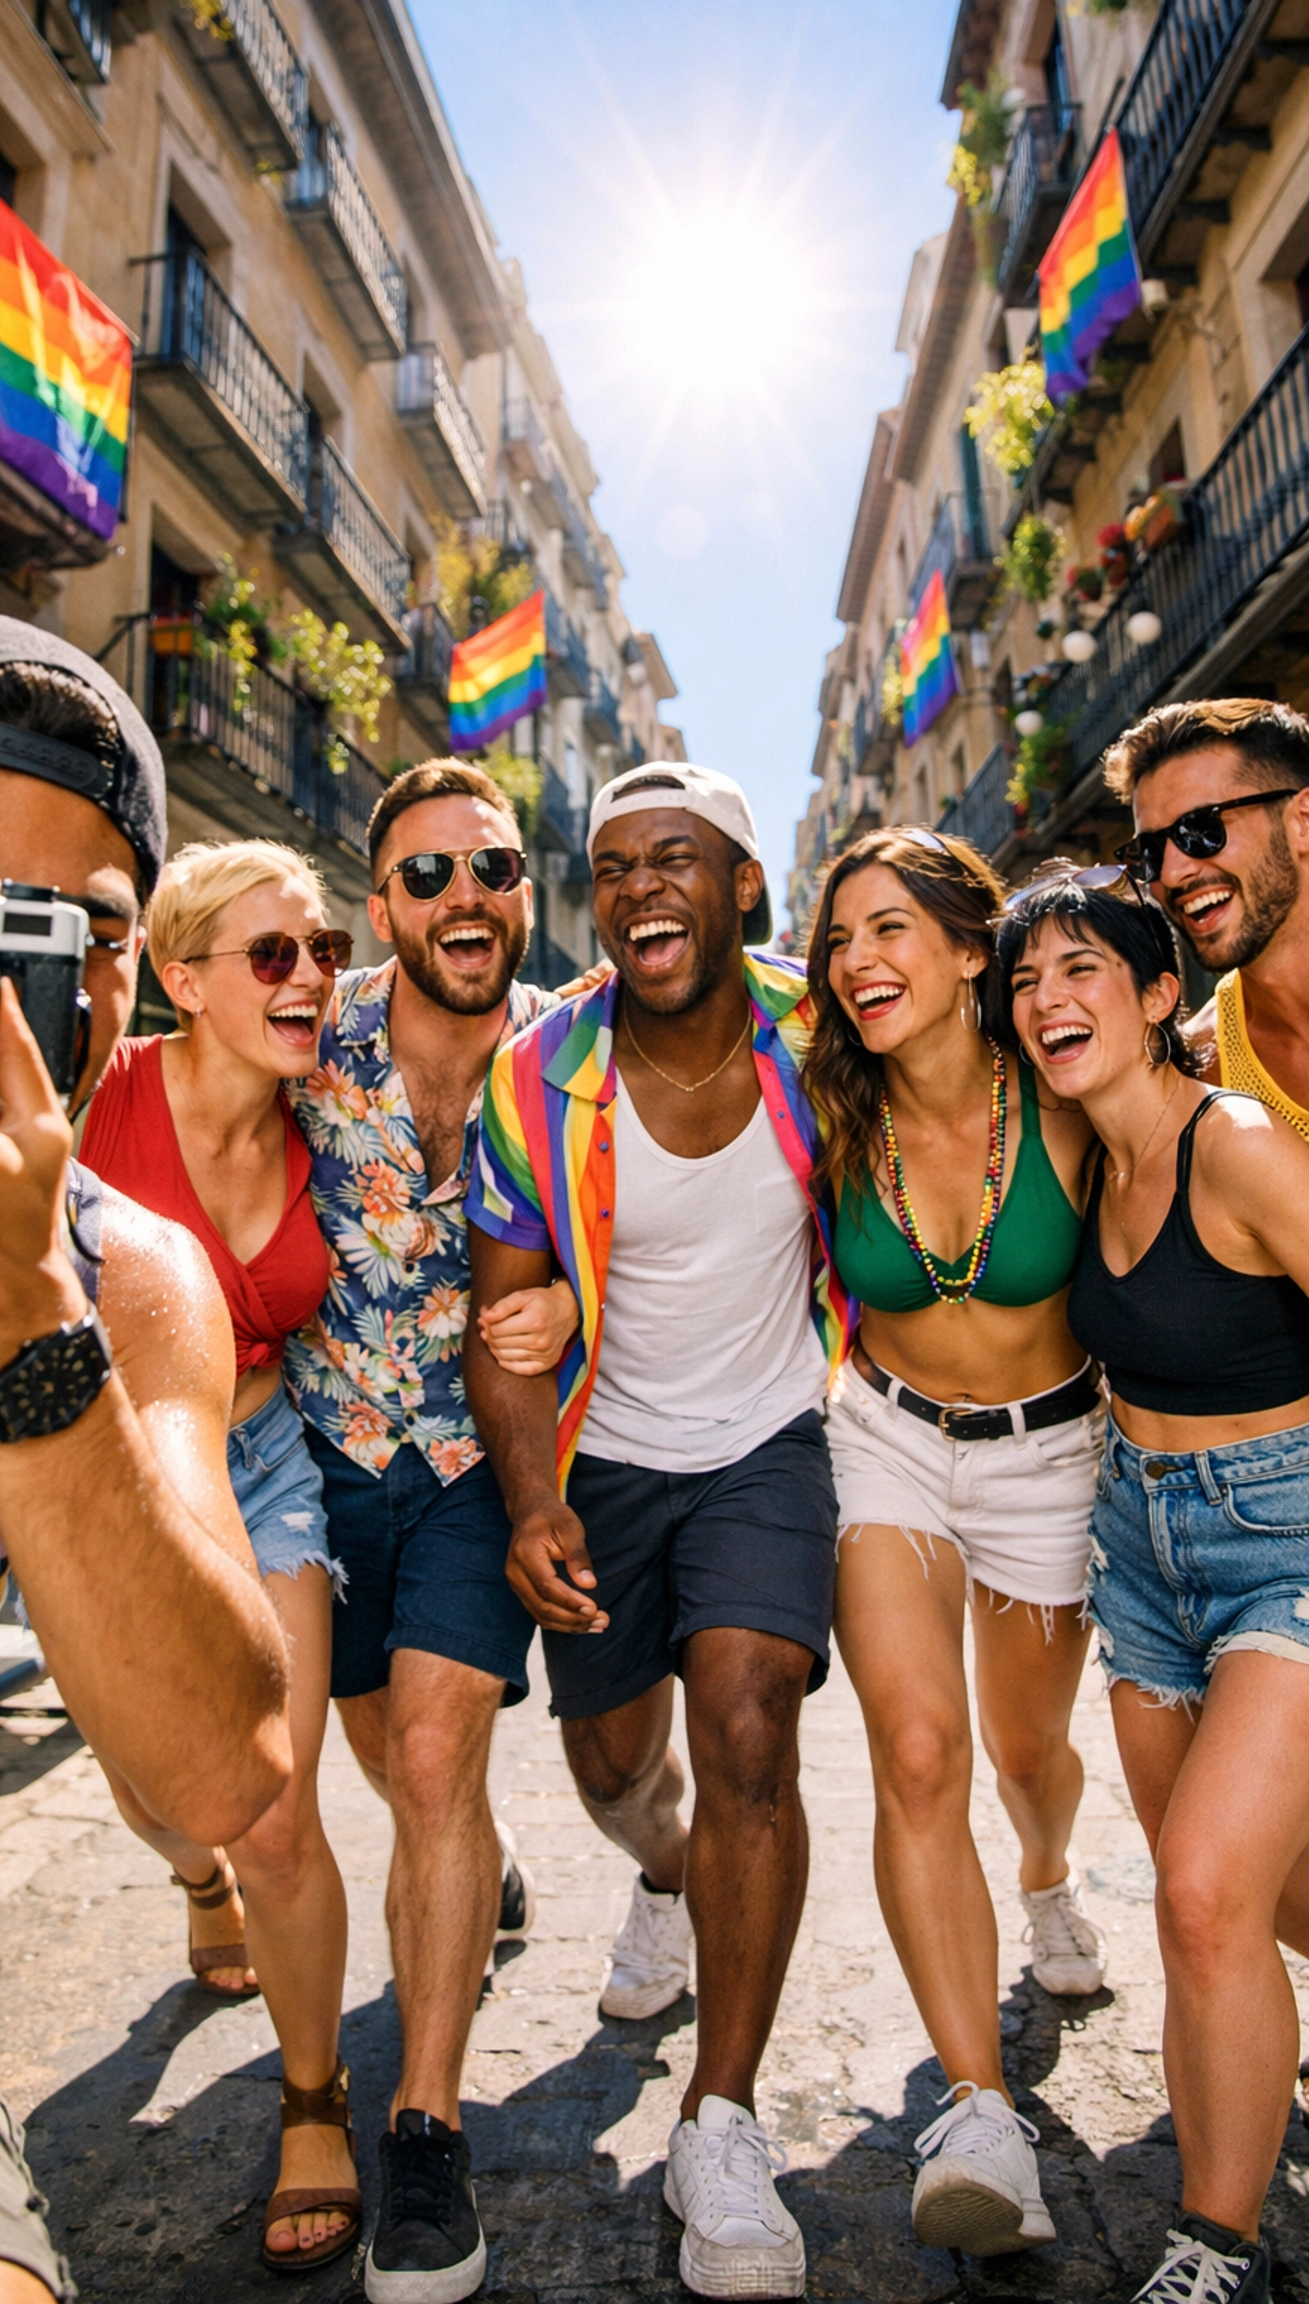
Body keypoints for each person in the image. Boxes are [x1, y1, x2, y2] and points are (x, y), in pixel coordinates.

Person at [0, 612, 292, 2303]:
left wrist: (16, 1344)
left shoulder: (127, 1281)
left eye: (63, 928)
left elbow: (220, 1772)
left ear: (120, 980)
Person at [463, 762, 849, 2302]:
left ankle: (725, 2118)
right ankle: (669, 1873)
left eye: (673, 860)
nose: (638, 891)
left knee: (752, 1722)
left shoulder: (826, 1037)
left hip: (769, 1442)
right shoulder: (539, 1073)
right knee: (620, 1768)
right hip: (600, 1461)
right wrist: (533, 1495)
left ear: (742, 884)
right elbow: (503, 1317)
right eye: (614, 868)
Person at [999, 867, 1309, 2304]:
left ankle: (1216, 2244)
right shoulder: (1083, 1157)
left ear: (1160, 996)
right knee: (1238, 1878)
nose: (1047, 1001)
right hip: (1140, 1552)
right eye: (1027, 981)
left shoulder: (1245, 1145)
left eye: (1083, 969)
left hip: (1298, 1544)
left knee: (1203, 1897)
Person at [283, 760, 578, 2304]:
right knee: (378, 1754)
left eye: (493, 866)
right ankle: (477, 1869)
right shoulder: (302, 1042)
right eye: (428, 875)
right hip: (323, 1452)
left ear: (522, 889)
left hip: (478, 1461)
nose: (465, 895)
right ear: (379, 902)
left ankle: (424, 2132)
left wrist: (572, 1301)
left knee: (429, 1759)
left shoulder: (579, 1060)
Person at [801, 827, 1104, 2259]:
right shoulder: (826, 1109)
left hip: (1055, 1455)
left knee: (1028, 1753)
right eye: (841, 937)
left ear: (972, 948)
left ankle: (1047, 1875)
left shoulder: (1060, 1087)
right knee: (919, 1752)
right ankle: (979, 2105)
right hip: (889, 1441)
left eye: (891, 930)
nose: (860, 960)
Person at [80, 837, 360, 2274]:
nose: (310, 977)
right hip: (111, 1479)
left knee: (275, 1807)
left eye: (320, 950)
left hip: (268, 1461)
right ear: (180, 981)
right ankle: (194, 1885)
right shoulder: (100, 1092)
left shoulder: (339, 1116)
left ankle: (315, 2097)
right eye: (271, 956)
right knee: (163, 1800)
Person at [1107, 698, 1309, 2138]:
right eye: (1154, 852)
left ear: (1304, 818)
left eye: (1203, 832)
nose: (1177, 872)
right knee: (1221, 1848)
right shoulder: (1203, 1057)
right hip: (1305, 1487)